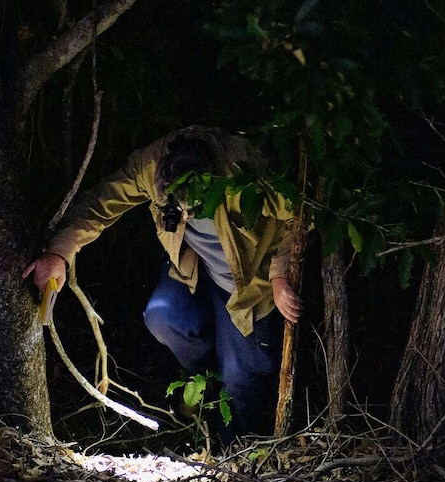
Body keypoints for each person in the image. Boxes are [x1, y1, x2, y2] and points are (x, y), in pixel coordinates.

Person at [23, 125, 302, 445]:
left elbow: (300, 213)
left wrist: (280, 274)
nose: (186, 213)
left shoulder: (245, 171)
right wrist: (60, 252)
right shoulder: (152, 165)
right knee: (164, 317)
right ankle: (204, 386)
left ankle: (236, 453)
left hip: (249, 287)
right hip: (194, 271)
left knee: (244, 381)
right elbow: (102, 201)